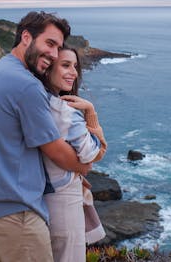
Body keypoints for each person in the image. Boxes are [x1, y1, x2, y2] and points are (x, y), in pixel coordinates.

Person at [0, 11, 92, 262]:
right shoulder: (26, 85)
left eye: (58, 47)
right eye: (49, 43)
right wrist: (86, 164)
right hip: (17, 211)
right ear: (26, 37)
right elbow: (59, 153)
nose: (54, 54)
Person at [41, 47, 108, 262]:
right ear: (47, 68)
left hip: (43, 199)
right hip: (64, 202)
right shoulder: (64, 112)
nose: (74, 72)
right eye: (66, 65)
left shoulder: (38, 104)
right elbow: (93, 154)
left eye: (75, 66)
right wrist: (90, 112)